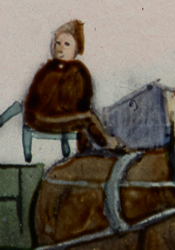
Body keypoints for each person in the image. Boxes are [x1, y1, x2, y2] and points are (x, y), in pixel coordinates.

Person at [25, 20, 122, 153]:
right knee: (86, 117)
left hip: (45, 117)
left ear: (75, 49)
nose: (60, 48)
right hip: (41, 118)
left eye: (66, 44)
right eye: (58, 43)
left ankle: (87, 149)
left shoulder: (70, 69)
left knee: (84, 117)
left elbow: (80, 102)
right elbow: (79, 105)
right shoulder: (52, 70)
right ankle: (107, 143)